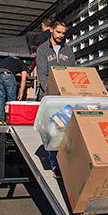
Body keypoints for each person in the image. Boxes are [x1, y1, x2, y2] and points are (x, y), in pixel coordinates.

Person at [35, 20, 76, 179]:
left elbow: (72, 72)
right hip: (49, 96)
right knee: (53, 132)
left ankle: (67, 163)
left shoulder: (69, 49)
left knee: (66, 131)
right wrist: (51, 95)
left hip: (66, 97)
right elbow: (43, 75)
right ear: (51, 30)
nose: (61, 36)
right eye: (58, 32)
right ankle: (55, 165)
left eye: (63, 33)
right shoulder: (42, 50)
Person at [0, 56, 28, 124]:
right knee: (11, 97)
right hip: (8, 74)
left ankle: (0, 119)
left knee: (0, 96)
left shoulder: (7, 60)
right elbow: (23, 80)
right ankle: (11, 119)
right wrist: (21, 93)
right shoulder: (23, 65)